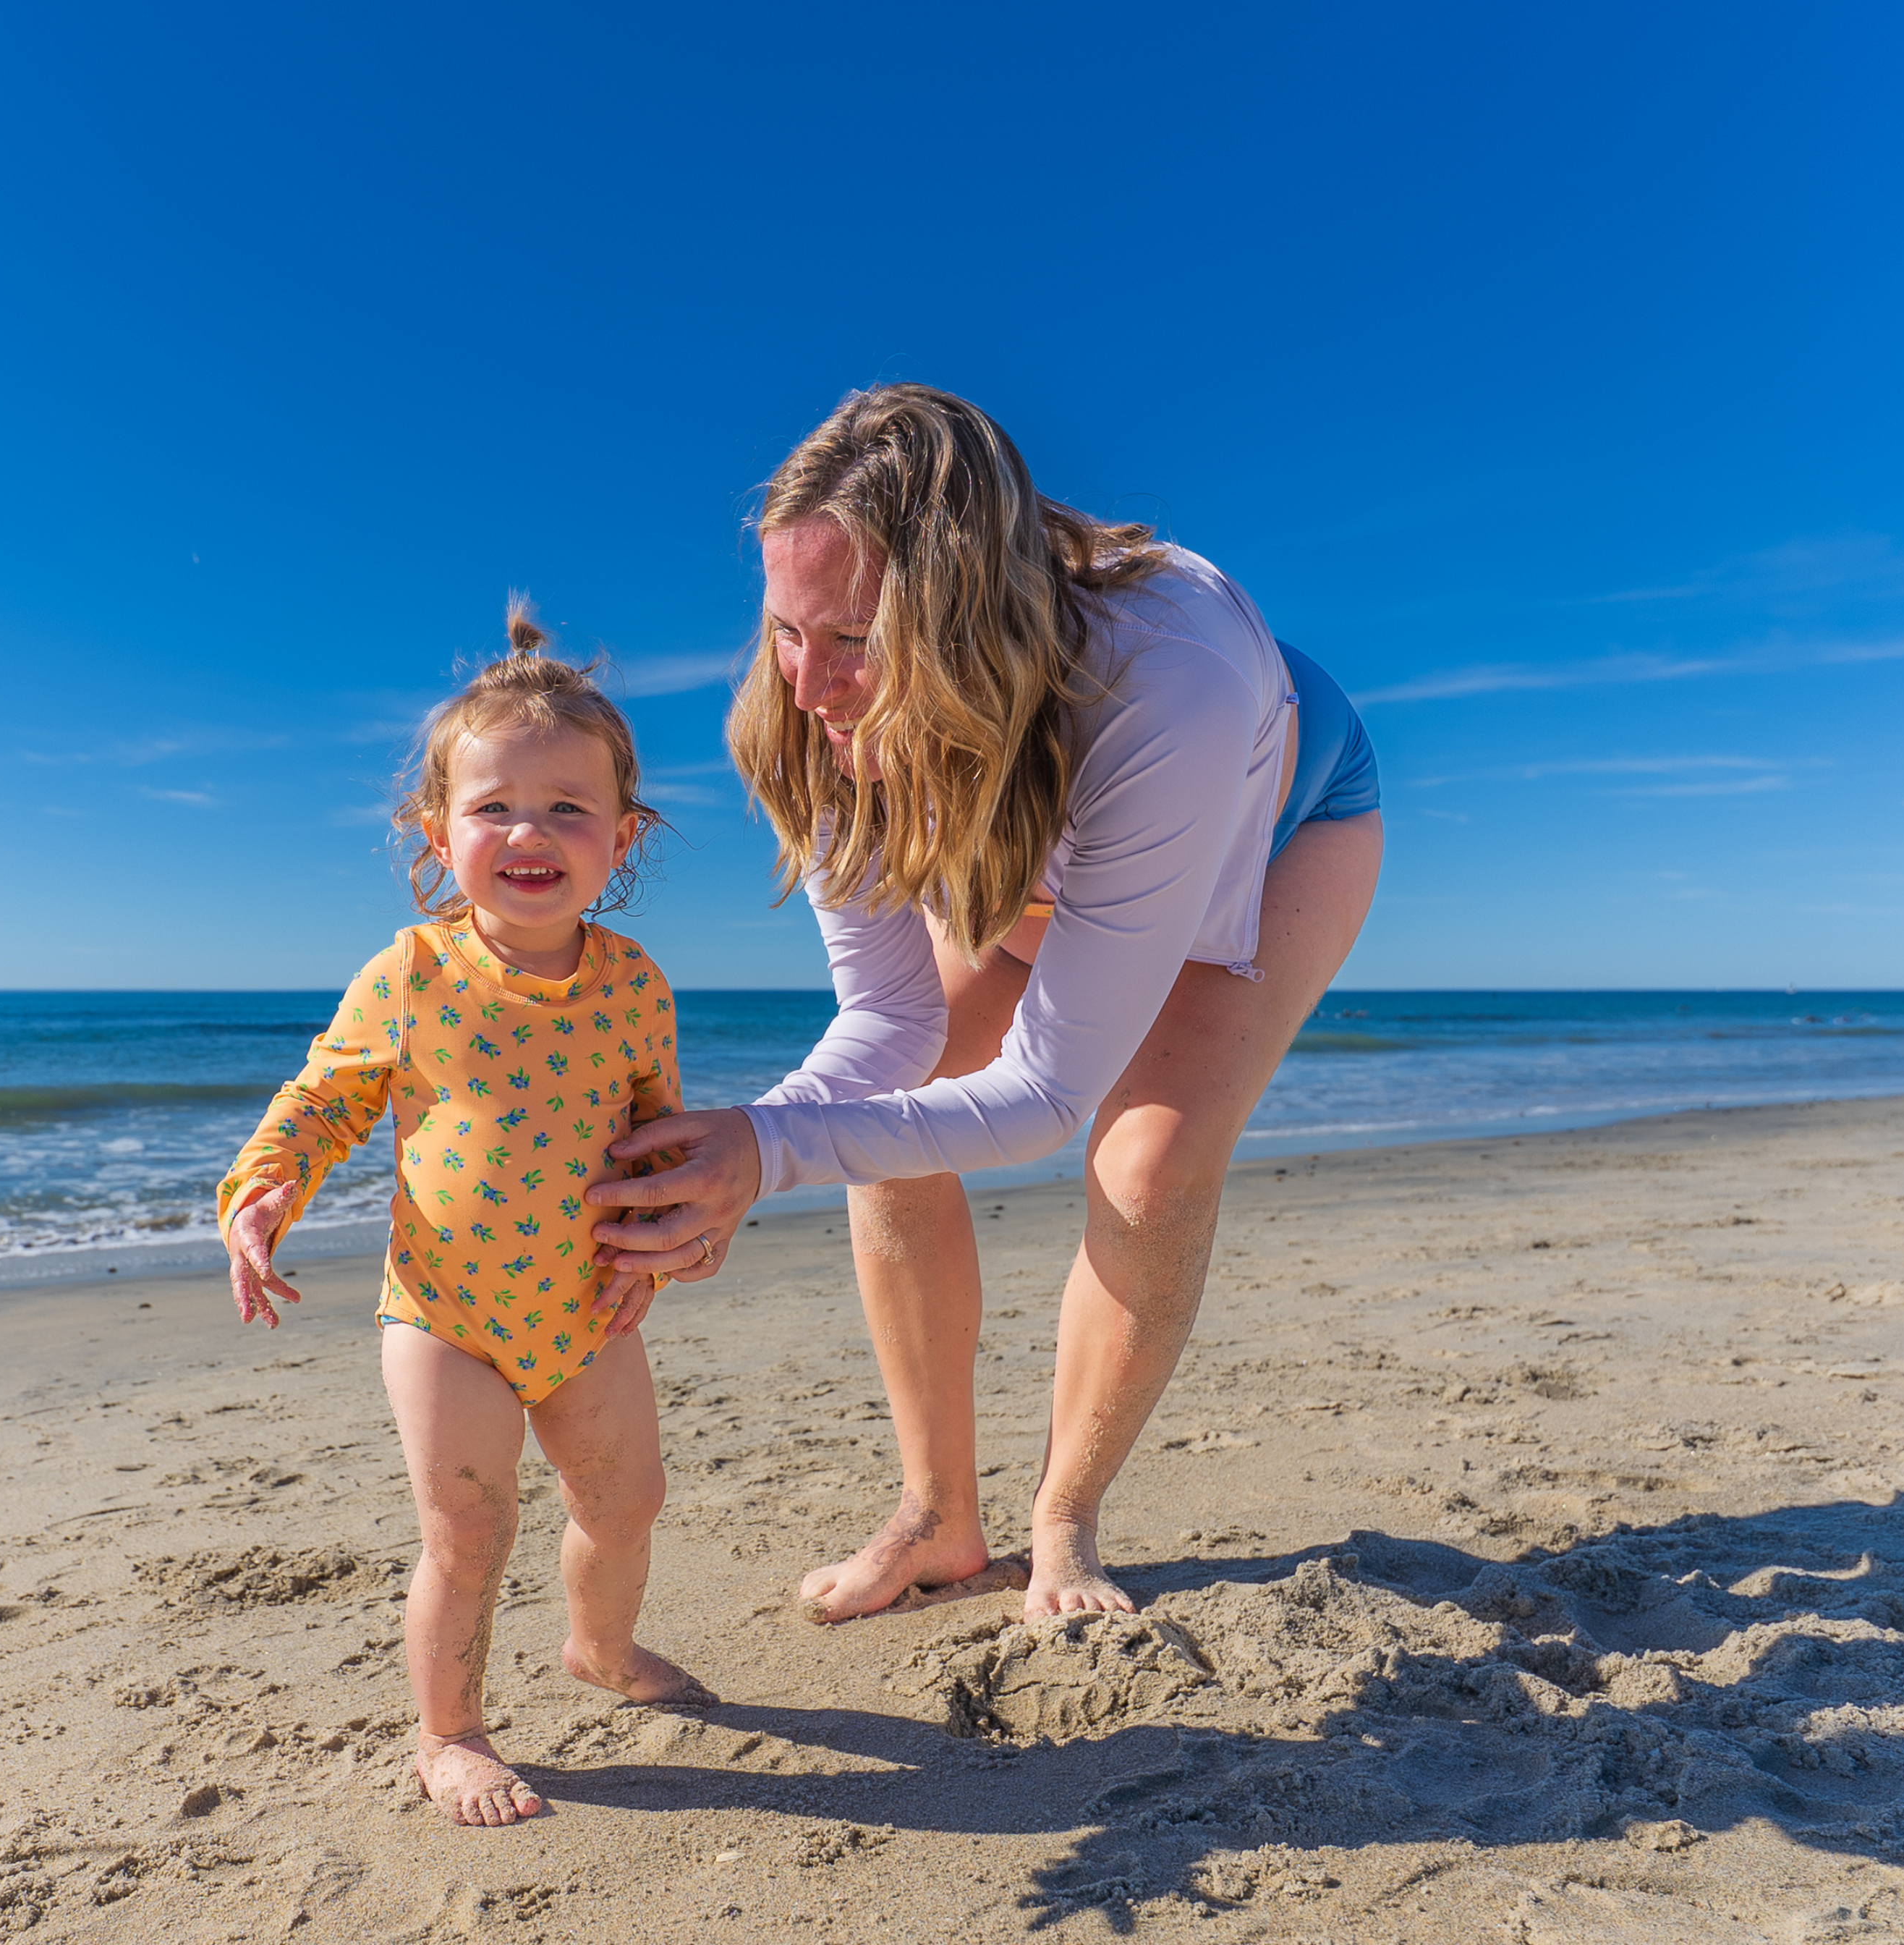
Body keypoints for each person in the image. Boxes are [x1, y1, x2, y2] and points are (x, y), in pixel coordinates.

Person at [585, 385, 1383, 1624]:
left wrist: (768, 1152)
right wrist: (749, 1138)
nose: (807, 684)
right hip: (1041, 830)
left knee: (1149, 1168)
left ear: (959, 614)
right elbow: (892, 1026)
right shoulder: (816, 717)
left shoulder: (1170, 681)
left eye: (848, 639)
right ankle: (936, 1518)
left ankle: (1064, 1522)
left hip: (1276, 820)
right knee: (890, 1116)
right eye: (787, 628)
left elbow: (1046, 1095)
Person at [219, 603, 712, 1827]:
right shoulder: (413, 972)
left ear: (622, 839)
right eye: (493, 808)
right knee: (469, 1529)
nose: (528, 832)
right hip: (443, 1314)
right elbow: (326, 1094)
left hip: (591, 1304)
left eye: (567, 809)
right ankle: (450, 1735)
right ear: (437, 835)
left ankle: (599, 1648)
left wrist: (668, 1242)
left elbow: (661, 1139)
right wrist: (268, 1185)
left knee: (625, 1500)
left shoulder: (636, 985)